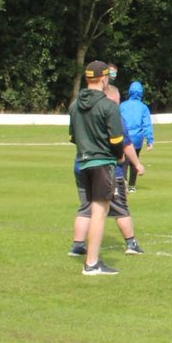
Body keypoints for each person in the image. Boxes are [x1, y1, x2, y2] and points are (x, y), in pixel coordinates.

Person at [69, 84, 146, 258]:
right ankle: (131, 243)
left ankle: (77, 245)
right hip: (106, 168)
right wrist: (137, 164)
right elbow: (124, 143)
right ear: (113, 100)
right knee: (119, 207)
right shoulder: (111, 114)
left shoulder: (83, 111)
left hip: (81, 164)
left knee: (86, 207)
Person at [68, 60, 127, 275]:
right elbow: (116, 140)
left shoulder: (74, 105)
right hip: (102, 164)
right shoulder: (108, 105)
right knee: (99, 213)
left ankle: (89, 258)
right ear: (103, 79)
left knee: (88, 209)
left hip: (82, 162)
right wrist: (120, 157)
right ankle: (91, 263)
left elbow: (73, 137)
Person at [119, 80, 154, 190]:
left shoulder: (122, 106)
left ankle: (122, 183)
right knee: (135, 161)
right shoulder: (143, 107)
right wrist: (150, 140)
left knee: (124, 161)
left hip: (123, 136)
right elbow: (147, 124)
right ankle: (132, 185)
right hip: (137, 138)